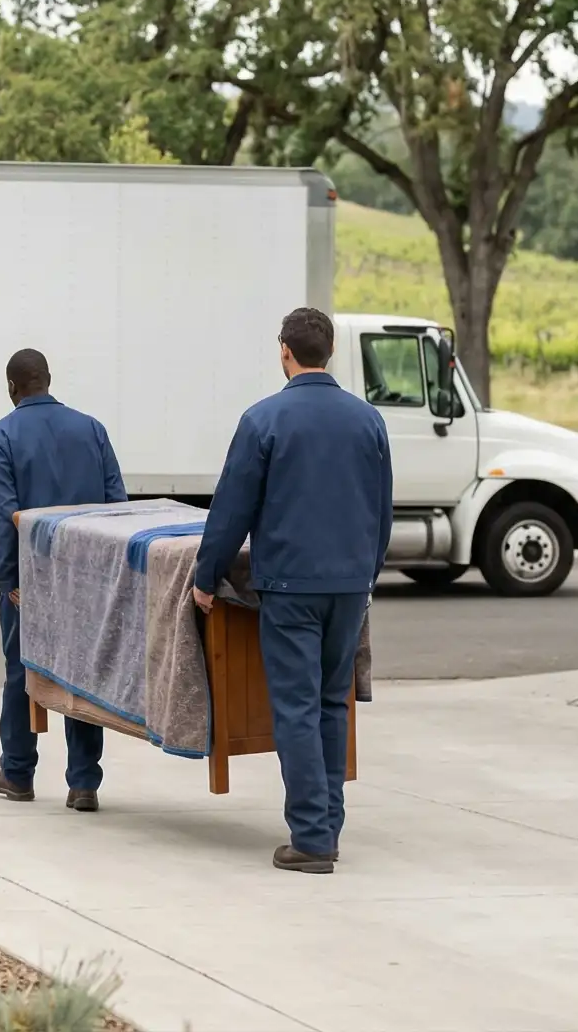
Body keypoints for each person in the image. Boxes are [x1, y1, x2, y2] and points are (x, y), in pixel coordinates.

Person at [191, 306, 391, 873]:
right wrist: (366, 573)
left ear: (285, 351)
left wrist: (208, 578)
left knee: (298, 707)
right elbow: (382, 508)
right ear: (328, 352)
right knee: (333, 701)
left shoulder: (263, 420)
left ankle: (311, 837)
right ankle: (326, 824)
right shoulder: (368, 421)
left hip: (289, 585)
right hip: (350, 585)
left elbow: (232, 510)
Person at [0, 347, 128, 811]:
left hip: (32, 578)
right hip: (86, 579)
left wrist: (9, 581)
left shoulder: (1, 435)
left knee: (21, 673)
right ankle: (84, 782)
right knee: (83, 675)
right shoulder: (91, 429)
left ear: (12, 387)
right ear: (48, 379)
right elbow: (116, 508)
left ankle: (18, 773)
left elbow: (5, 516)